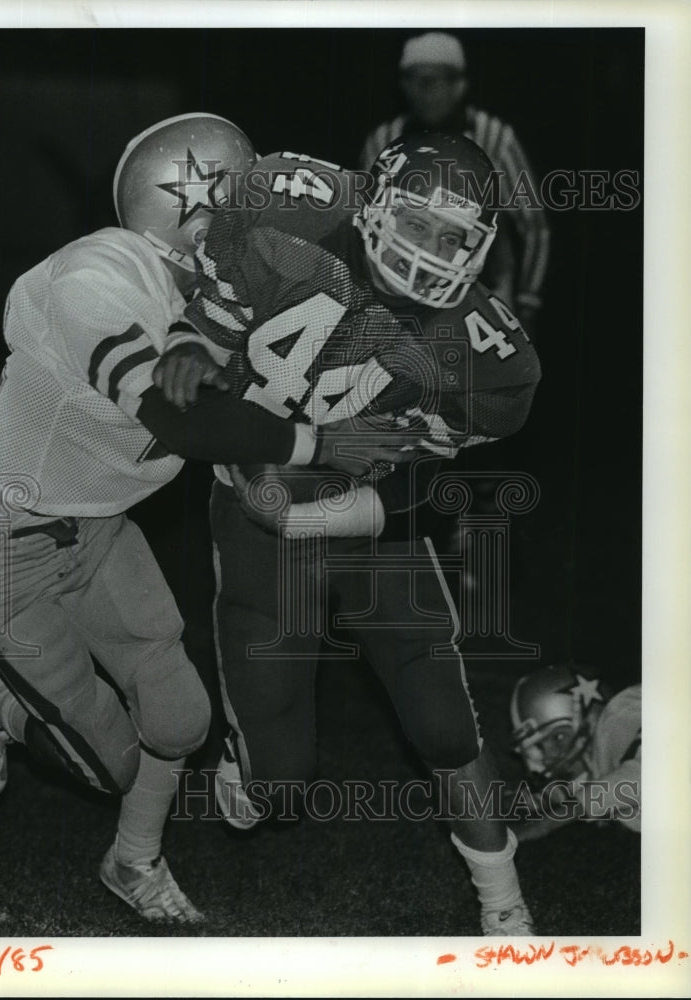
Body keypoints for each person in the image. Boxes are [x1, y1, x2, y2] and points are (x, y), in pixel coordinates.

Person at [0, 113, 414, 924]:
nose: (271, 224)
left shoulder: (223, 296)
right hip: (0, 535)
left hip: (101, 526)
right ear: (196, 212)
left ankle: (133, 860)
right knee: (110, 763)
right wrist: (324, 441)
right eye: (251, 201)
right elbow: (182, 419)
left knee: (181, 718)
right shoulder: (94, 278)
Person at [155, 132, 543, 935]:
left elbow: (419, 489)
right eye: (419, 224)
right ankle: (249, 756)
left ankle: (504, 904)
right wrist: (192, 347)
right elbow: (210, 339)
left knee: (444, 720)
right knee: (277, 793)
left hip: (370, 526)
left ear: (481, 248)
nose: (432, 254)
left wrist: (313, 512)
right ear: (375, 202)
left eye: (454, 239)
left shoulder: (486, 354)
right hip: (256, 521)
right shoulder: (288, 215)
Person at [359, 31, 550, 333]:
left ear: (459, 84)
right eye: (413, 80)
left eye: (432, 81)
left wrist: (528, 300)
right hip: (399, 281)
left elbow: (534, 226)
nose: (422, 91)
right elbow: (364, 219)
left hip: (478, 285)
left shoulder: (496, 138)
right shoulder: (384, 139)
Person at [510, 662, 641, 839]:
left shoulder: (624, 714)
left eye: (559, 738)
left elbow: (646, 775)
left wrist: (544, 825)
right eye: (539, 747)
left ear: (591, 720)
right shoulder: (602, 760)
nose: (549, 758)